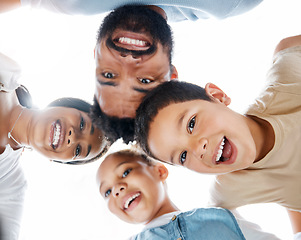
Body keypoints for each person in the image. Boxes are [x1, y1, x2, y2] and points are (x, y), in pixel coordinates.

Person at [134, 35, 301, 238]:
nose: (198, 148)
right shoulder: (227, 191)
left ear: (218, 96)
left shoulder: (289, 80)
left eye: (191, 124)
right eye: (183, 156)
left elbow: (285, 48)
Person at [0, 51, 110, 240]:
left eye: (78, 150)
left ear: (56, 160)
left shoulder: (11, 182)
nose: (73, 137)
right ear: (64, 104)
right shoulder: (7, 73)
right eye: (83, 124)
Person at [96, 149, 281, 239]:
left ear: (160, 171)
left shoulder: (220, 218)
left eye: (126, 172)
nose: (118, 189)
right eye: (107, 191)